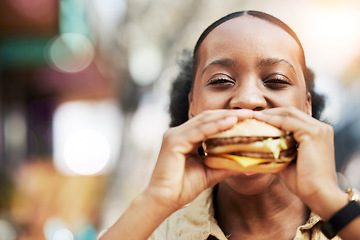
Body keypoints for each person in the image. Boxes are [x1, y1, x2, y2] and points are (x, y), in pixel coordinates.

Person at [99, 10, 360, 240]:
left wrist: (328, 200)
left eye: (277, 80)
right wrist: (156, 200)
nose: (247, 100)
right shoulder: (151, 230)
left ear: (306, 108)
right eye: (221, 80)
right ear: (193, 107)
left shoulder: (349, 216)